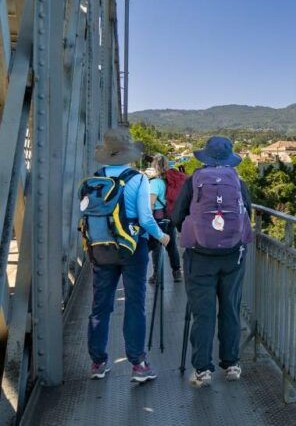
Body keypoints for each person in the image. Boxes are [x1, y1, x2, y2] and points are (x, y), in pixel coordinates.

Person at [85, 128, 169, 382]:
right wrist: (161, 236)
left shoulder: (97, 178)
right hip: (133, 248)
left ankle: (98, 362)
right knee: (135, 303)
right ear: (129, 154)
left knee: (100, 305)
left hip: (100, 247)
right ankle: (138, 364)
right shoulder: (138, 178)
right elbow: (145, 218)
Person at [172, 136, 253, 388]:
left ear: (205, 157)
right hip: (233, 256)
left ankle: (202, 370)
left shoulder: (193, 181)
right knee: (230, 307)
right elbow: (247, 214)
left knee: (203, 312)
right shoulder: (238, 183)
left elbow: (177, 217)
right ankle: (231, 364)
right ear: (230, 158)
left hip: (199, 257)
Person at [146, 155, 183, 283]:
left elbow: (151, 203)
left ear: (154, 166)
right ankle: (177, 272)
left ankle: (156, 274)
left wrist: (147, 219)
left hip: (158, 218)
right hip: (170, 217)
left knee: (157, 245)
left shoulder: (155, 182)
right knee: (172, 245)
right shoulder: (170, 180)